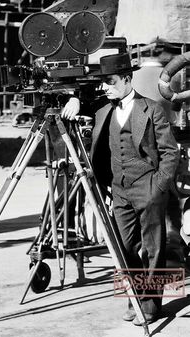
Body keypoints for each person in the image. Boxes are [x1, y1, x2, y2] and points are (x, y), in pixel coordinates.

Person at [61, 53, 180, 325]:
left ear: (127, 79)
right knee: (123, 248)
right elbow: (84, 99)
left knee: (152, 249)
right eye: (104, 83)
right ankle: (134, 298)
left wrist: (159, 185)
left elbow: (169, 152)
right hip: (119, 190)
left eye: (111, 82)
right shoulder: (105, 107)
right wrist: (76, 98)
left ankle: (150, 305)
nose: (107, 87)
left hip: (149, 187)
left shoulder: (151, 108)